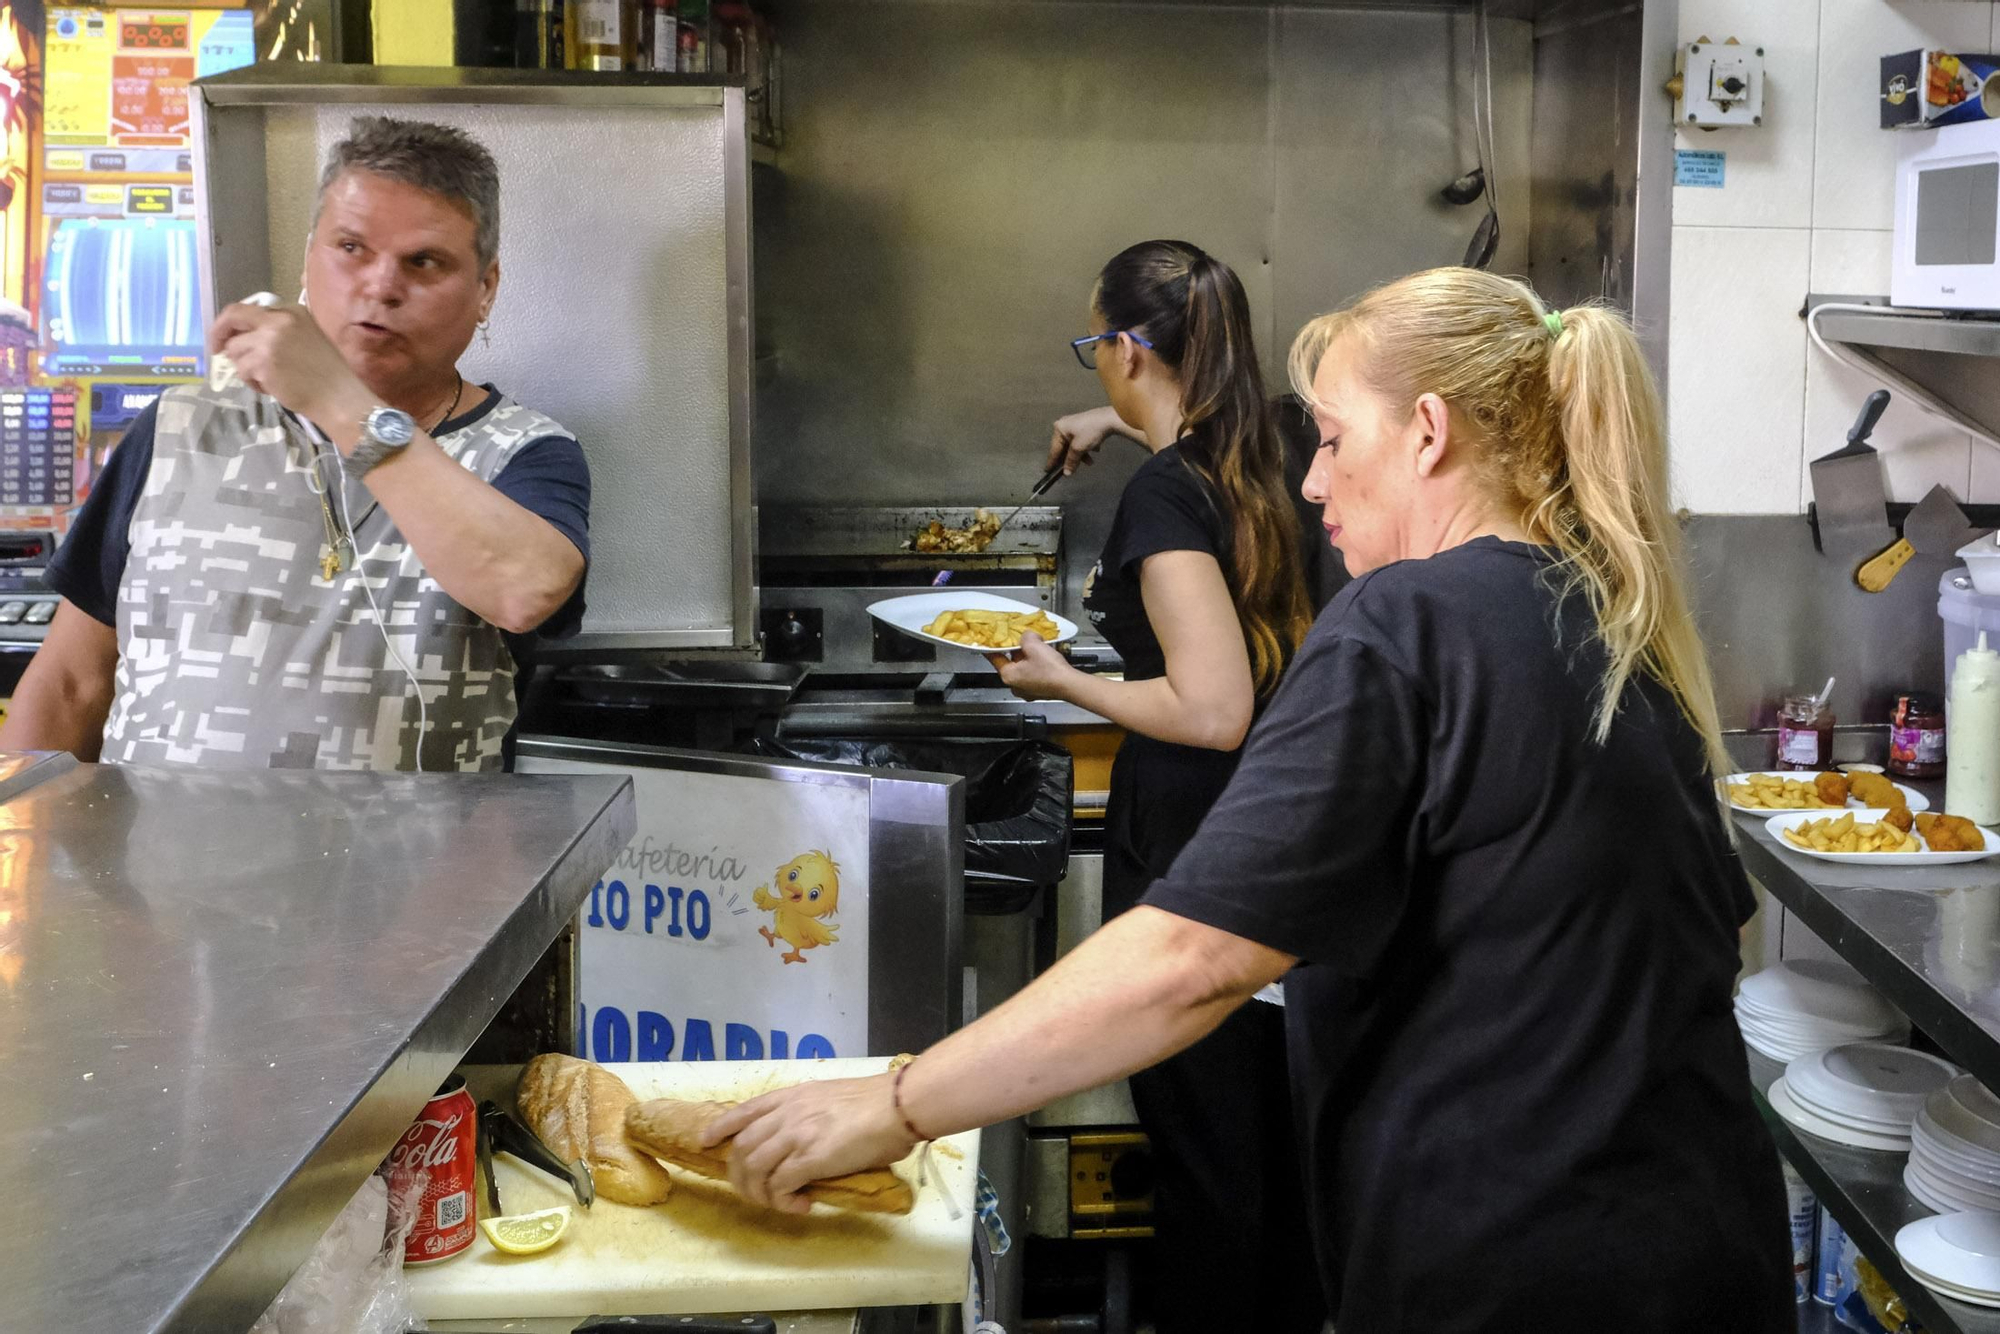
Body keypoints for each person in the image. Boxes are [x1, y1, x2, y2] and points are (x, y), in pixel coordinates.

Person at [701, 268, 1794, 1333]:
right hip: (1704, 1247)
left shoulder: (1401, 623)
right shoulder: (1614, 622)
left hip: (1510, 1265)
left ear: (1424, 432)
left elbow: (1191, 961)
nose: (1311, 481)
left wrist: (894, 1104)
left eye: (1328, 438)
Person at [0, 115, 590, 772]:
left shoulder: (523, 451)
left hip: (416, 872)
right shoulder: (182, 425)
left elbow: (525, 588)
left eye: (425, 262)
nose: (380, 286)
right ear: (309, 256)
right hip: (152, 871)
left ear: (485, 289)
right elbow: (70, 684)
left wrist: (338, 400)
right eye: (351, 248)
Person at [999, 239, 1323, 1334]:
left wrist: (1062, 679)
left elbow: (1208, 703)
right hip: (1286, 844)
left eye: (1095, 346)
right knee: (1278, 1167)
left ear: (1129, 348)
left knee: (1208, 1169)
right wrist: (1119, 421)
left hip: (1200, 858)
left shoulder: (1167, 496)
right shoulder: (1281, 446)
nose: (1093, 365)